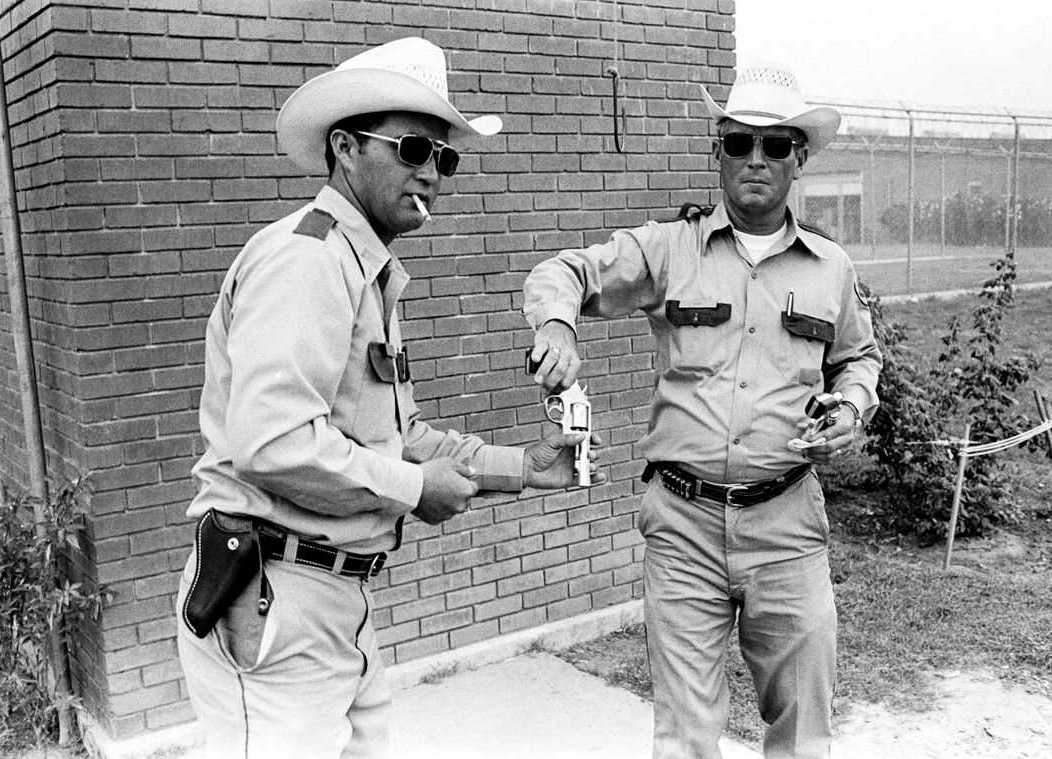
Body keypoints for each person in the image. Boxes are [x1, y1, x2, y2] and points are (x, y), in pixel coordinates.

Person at [175, 37, 599, 759]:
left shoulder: (363, 269)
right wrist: (411, 490)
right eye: (411, 148)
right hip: (279, 593)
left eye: (445, 156)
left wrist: (526, 466)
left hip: (333, 599)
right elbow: (271, 442)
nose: (432, 172)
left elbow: (394, 439)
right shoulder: (308, 261)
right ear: (344, 147)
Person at [523, 61, 882, 759]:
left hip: (788, 524)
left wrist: (852, 408)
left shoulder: (830, 268)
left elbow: (859, 358)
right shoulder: (669, 249)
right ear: (716, 151)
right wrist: (558, 326)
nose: (756, 158)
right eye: (738, 142)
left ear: (799, 158)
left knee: (804, 728)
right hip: (683, 526)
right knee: (685, 735)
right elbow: (565, 272)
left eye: (775, 144)